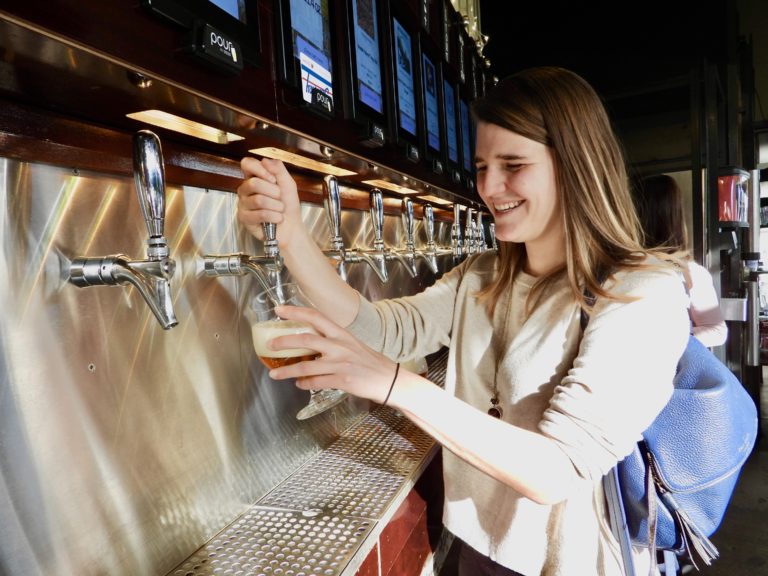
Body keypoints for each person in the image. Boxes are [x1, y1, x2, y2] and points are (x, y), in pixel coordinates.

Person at [236, 67, 690, 576]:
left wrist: (395, 384)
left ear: (576, 167)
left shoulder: (641, 293)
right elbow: (381, 329)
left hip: (565, 562)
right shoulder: (484, 274)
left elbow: (555, 471)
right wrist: (292, 233)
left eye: (513, 165)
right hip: (476, 545)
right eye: (481, 167)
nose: (490, 188)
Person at [633, 174, 728, 347]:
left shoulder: (688, 273)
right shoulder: (688, 272)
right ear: (677, 218)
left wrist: (664, 339)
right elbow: (717, 331)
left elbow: (717, 331)